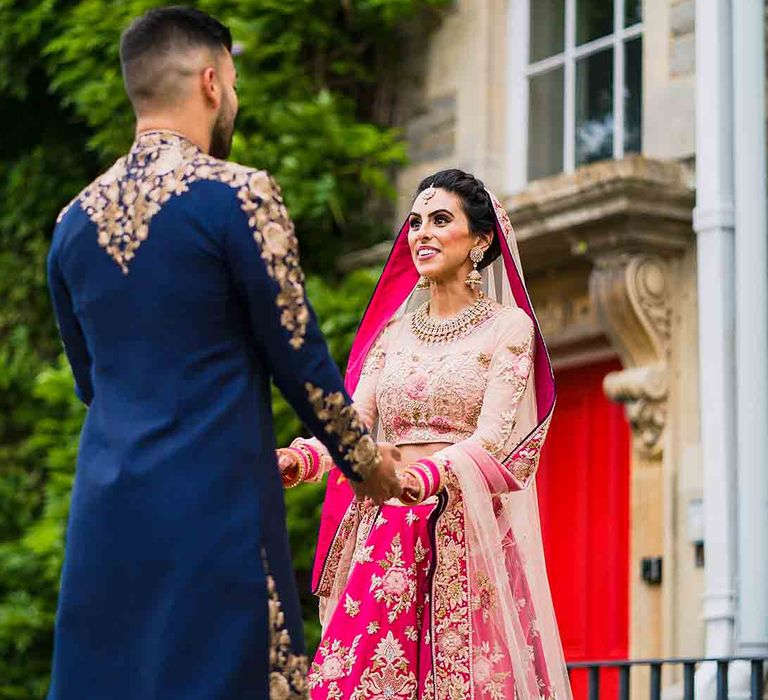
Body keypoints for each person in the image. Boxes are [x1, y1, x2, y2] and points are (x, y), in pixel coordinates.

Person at [46, 7, 401, 700]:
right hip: (213, 509)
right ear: (211, 82)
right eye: (233, 83)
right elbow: (302, 362)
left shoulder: (71, 223)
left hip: (107, 518)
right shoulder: (241, 195)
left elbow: (93, 382)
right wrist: (366, 464)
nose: (233, 97)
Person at [278, 169, 572, 699]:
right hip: (386, 536)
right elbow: (354, 429)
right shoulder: (392, 335)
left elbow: (493, 442)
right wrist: (299, 461)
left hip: (466, 537)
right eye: (415, 223)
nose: (422, 234)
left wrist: (421, 479)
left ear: (481, 241)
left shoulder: (508, 329)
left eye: (441, 220)